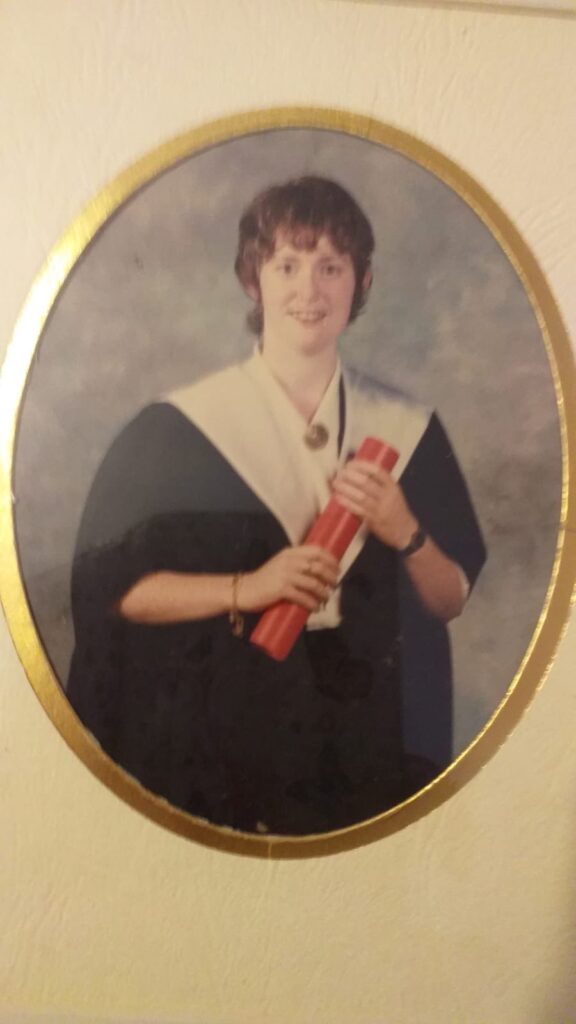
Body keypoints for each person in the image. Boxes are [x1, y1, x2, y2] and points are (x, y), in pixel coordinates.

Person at [67, 176, 486, 836]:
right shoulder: (176, 429)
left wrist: (405, 531)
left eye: (331, 266)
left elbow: (451, 599)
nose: (309, 290)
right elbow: (112, 595)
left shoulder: (408, 429)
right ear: (252, 279)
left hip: (363, 737)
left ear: (363, 283)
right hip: (222, 735)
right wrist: (248, 587)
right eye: (286, 264)